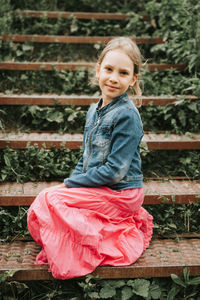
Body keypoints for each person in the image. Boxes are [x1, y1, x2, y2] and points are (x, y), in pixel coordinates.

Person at [27, 37, 153, 280]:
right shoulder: (94, 111)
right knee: (47, 200)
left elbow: (115, 171)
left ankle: (102, 241)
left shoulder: (127, 116)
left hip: (121, 192)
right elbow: (86, 159)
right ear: (98, 70)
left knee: (49, 200)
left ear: (133, 79)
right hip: (101, 187)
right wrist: (72, 182)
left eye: (123, 73)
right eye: (108, 69)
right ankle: (81, 238)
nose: (114, 78)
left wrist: (69, 185)